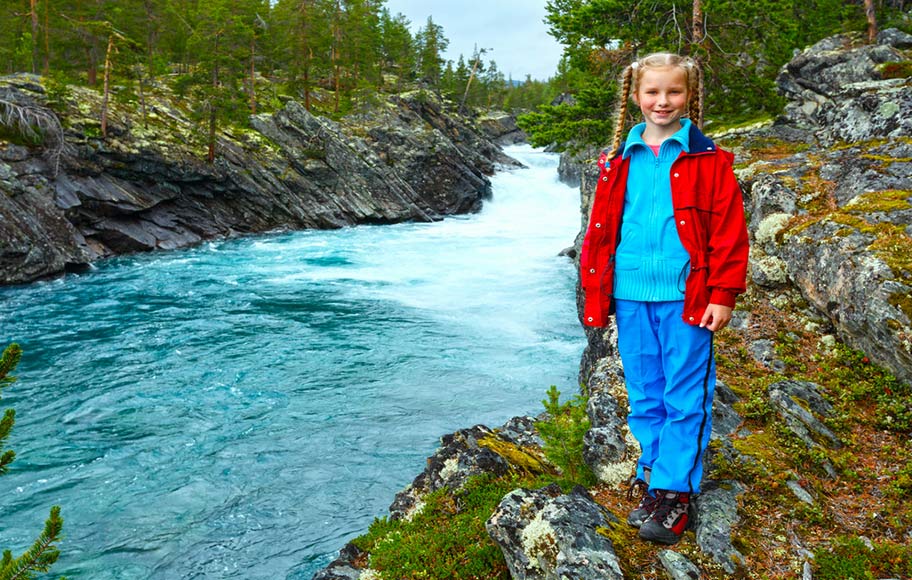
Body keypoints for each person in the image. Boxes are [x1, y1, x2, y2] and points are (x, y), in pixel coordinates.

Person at [579, 52, 749, 545]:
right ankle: (655, 476)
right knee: (645, 392)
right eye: (652, 92)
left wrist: (723, 294)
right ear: (635, 96)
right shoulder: (616, 162)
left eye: (673, 92)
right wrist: (598, 292)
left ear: (689, 96)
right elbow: (600, 234)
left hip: (687, 298)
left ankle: (676, 493)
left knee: (684, 395)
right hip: (630, 297)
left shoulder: (708, 160)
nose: (662, 101)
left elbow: (728, 234)